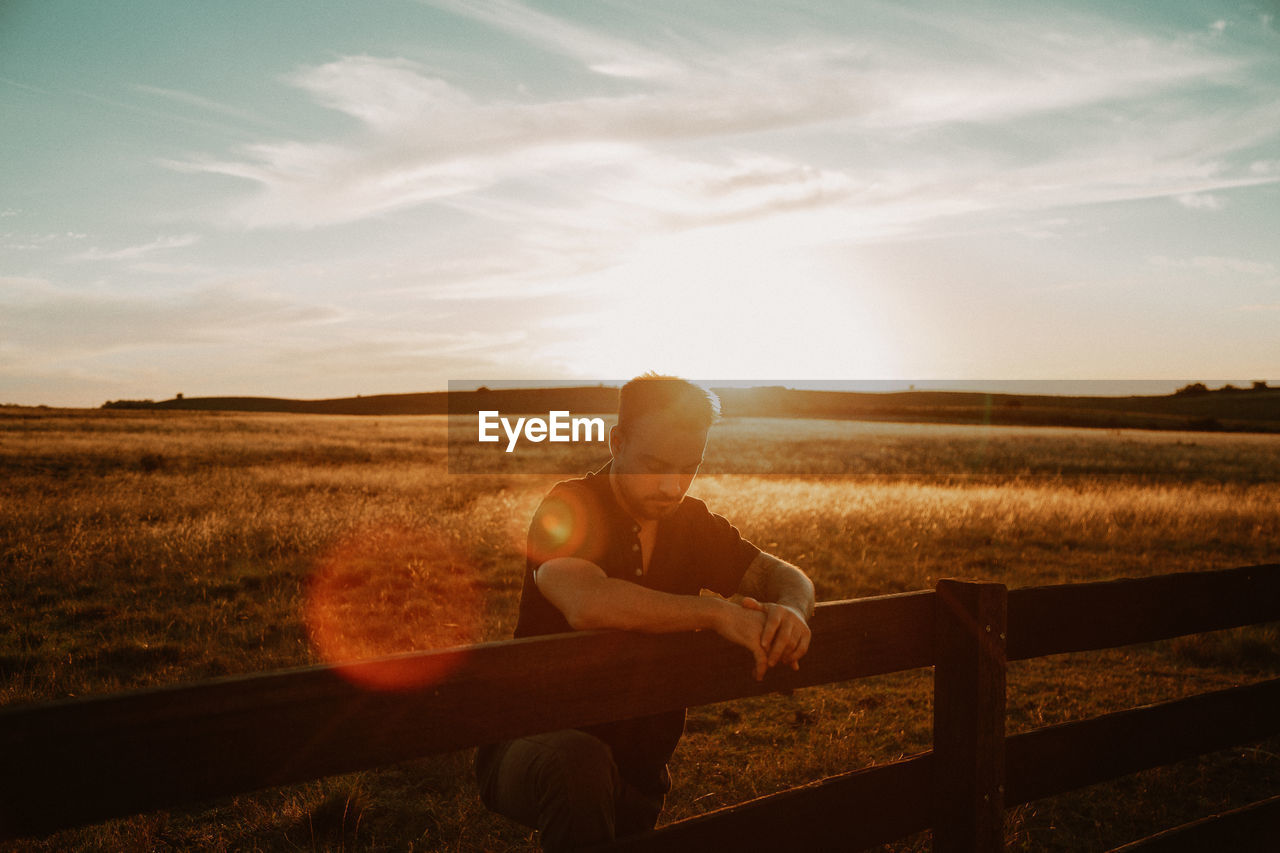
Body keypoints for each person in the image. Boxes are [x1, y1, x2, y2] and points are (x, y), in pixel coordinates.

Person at [475, 374, 815, 851]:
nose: (671, 486)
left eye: (688, 468)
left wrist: (794, 610)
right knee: (580, 761)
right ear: (617, 441)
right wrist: (715, 613)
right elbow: (587, 603)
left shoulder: (694, 524)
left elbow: (781, 575)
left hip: (640, 766)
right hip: (528, 741)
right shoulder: (569, 505)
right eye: (654, 465)